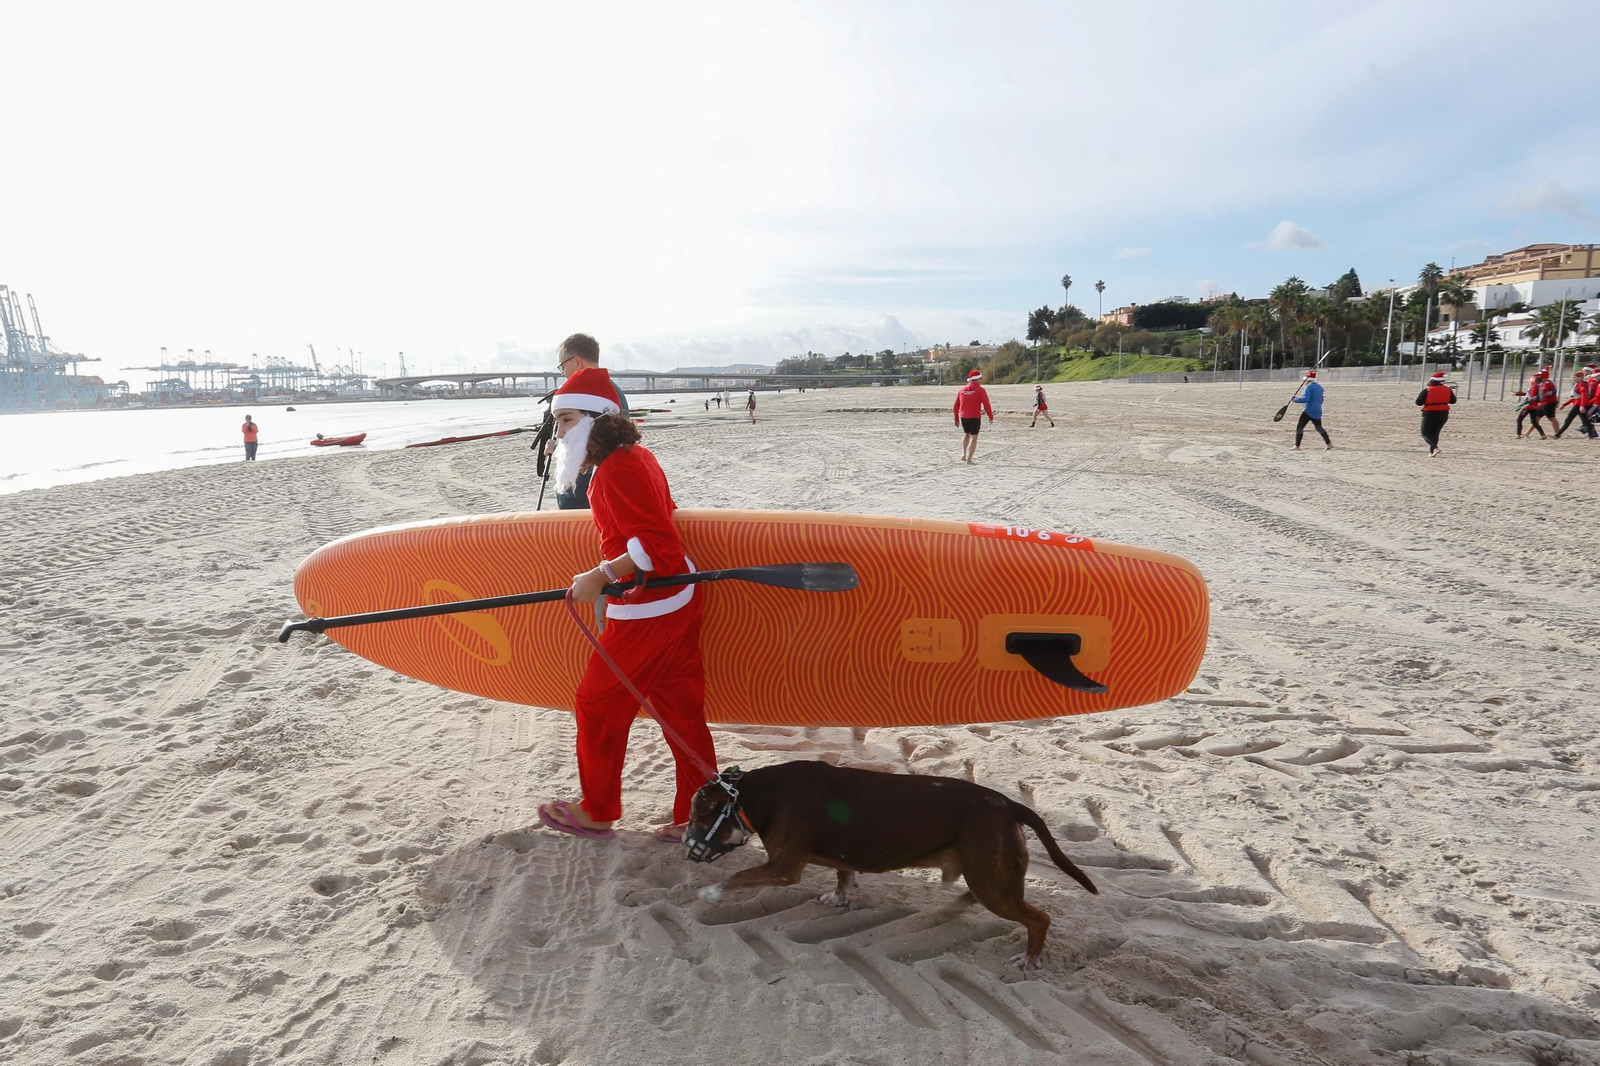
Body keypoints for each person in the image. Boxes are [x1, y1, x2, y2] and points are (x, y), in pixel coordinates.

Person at [536, 367, 717, 842]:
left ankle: (596, 810)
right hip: (676, 597)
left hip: (652, 606)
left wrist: (600, 576)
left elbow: (657, 547)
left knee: (596, 704)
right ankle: (702, 815)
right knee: (680, 709)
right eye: (559, 421)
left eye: (568, 419)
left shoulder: (617, 469)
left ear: (598, 418)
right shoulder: (636, 457)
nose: (561, 431)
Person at [548, 334, 630, 509]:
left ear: (577, 361)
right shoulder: (608, 390)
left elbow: (600, 444)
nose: (562, 373)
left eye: (562, 366)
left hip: (586, 501)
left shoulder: (597, 395)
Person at [953, 369, 994, 464]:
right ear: (978, 379)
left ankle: (963, 454)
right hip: (974, 416)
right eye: (980, 378)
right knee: (974, 437)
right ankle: (969, 459)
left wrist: (956, 418)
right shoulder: (980, 390)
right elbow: (986, 404)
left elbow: (956, 406)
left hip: (963, 416)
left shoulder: (961, 390)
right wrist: (990, 415)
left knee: (966, 434)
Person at [1415, 370, 1456, 458]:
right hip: (1444, 413)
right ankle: (1431, 452)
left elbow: (1418, 402)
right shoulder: (1448, 389)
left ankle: (1435, 448)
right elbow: (1453, 401)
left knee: (1425, 433)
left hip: (1429, 413)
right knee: (1435, 433)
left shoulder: (1427, 390)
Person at [1290, 370, 1332, 450]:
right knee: (1319, 427)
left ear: (1306, 380)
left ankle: (1297, 446)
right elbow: (1321, 399)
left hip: (1308, 411)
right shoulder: (1319, 387)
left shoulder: (1308, 387)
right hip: (1317, 410)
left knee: (1300, 427)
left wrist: (1294, 399)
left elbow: (1306, 399)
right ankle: (1329, 444)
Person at [1553, 367, 1597, 440]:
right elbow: (1575, 397)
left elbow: (1583, 395)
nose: (1573, 379)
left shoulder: (1582, 384)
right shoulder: (1579, 384)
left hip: (1578, 405)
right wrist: (1564, 405)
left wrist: (1582, 406)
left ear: (1580, 378)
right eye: (1573, 377)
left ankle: (1557, 435)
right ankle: (1591, 436)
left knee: (1568, 420)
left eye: (1575, 377)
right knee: (1585, 421)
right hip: (1578, 404)